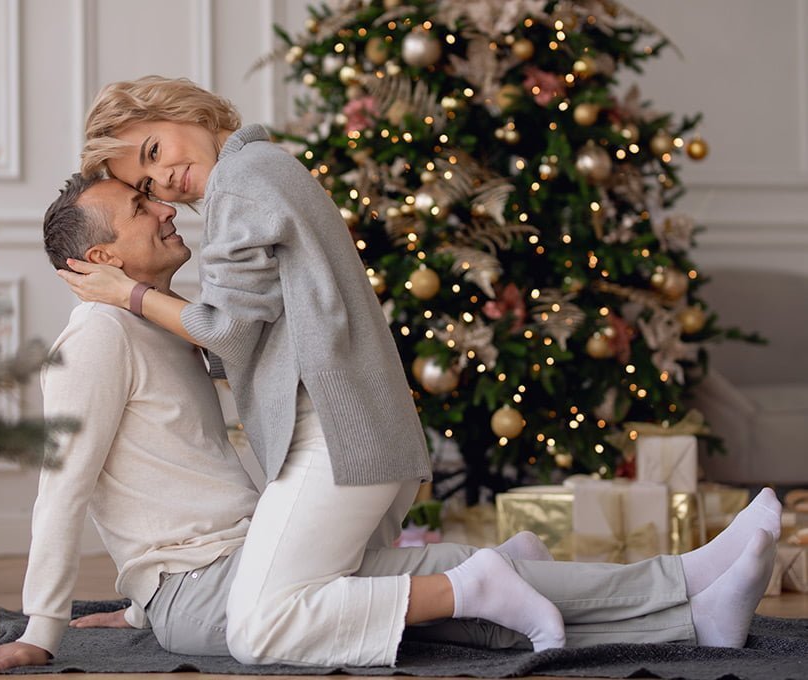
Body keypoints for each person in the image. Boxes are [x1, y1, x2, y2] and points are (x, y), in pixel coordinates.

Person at [56, 76, 783, 667]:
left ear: (184, 111)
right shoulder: (262, 172)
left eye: (155, 149)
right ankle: (687, 594)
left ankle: (511, 582)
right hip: (354, 435)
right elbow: (255, 334)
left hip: (331, 444)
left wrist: (131, 294)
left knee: (260, 625)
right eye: (146, 181)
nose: (165, 179)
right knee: (395, 591)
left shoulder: (244, 181)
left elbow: (231, 329)